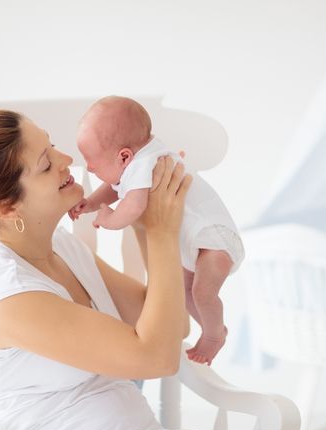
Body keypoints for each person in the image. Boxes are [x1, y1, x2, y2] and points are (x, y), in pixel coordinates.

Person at [0, 110, 310, 430]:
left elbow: (172, 328)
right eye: (47, 164)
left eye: (52, 146)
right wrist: (161, 232)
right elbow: (157, 358)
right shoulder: (8, 299)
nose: (67, 159)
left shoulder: (61, 248)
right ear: (5, 207)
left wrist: (143, 216)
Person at [70, 96, 243, 365]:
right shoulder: (136, 164)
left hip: (214, 240)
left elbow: (134, 204)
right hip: (194, 246)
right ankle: (212, 329)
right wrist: (92, 203)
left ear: (124, 156)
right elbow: (117, 187)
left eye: (90, 160)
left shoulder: (147, 163)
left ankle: (214, 334)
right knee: (185, 293)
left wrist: (108, 218)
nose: (89, 167)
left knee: (201, 293)